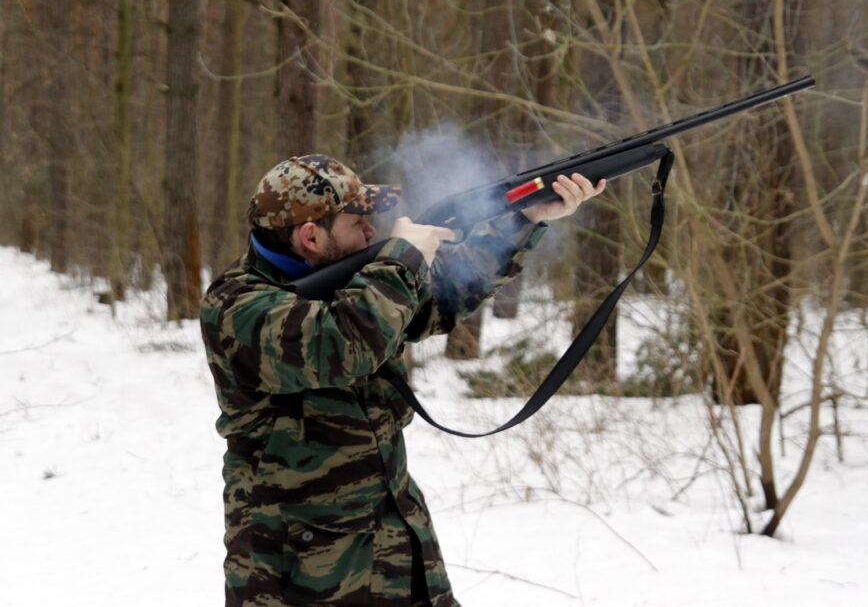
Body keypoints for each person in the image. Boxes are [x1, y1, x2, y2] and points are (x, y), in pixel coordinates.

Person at [200, 153, 605, 606]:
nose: (373, 232)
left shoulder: (359, 282)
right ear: (311, 236)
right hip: (299, 570)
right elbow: (344, 342)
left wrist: (524, 219)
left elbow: (444, 296)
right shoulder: (237, 305)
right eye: (358, 224)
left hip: (395, 541)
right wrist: (403, 259)